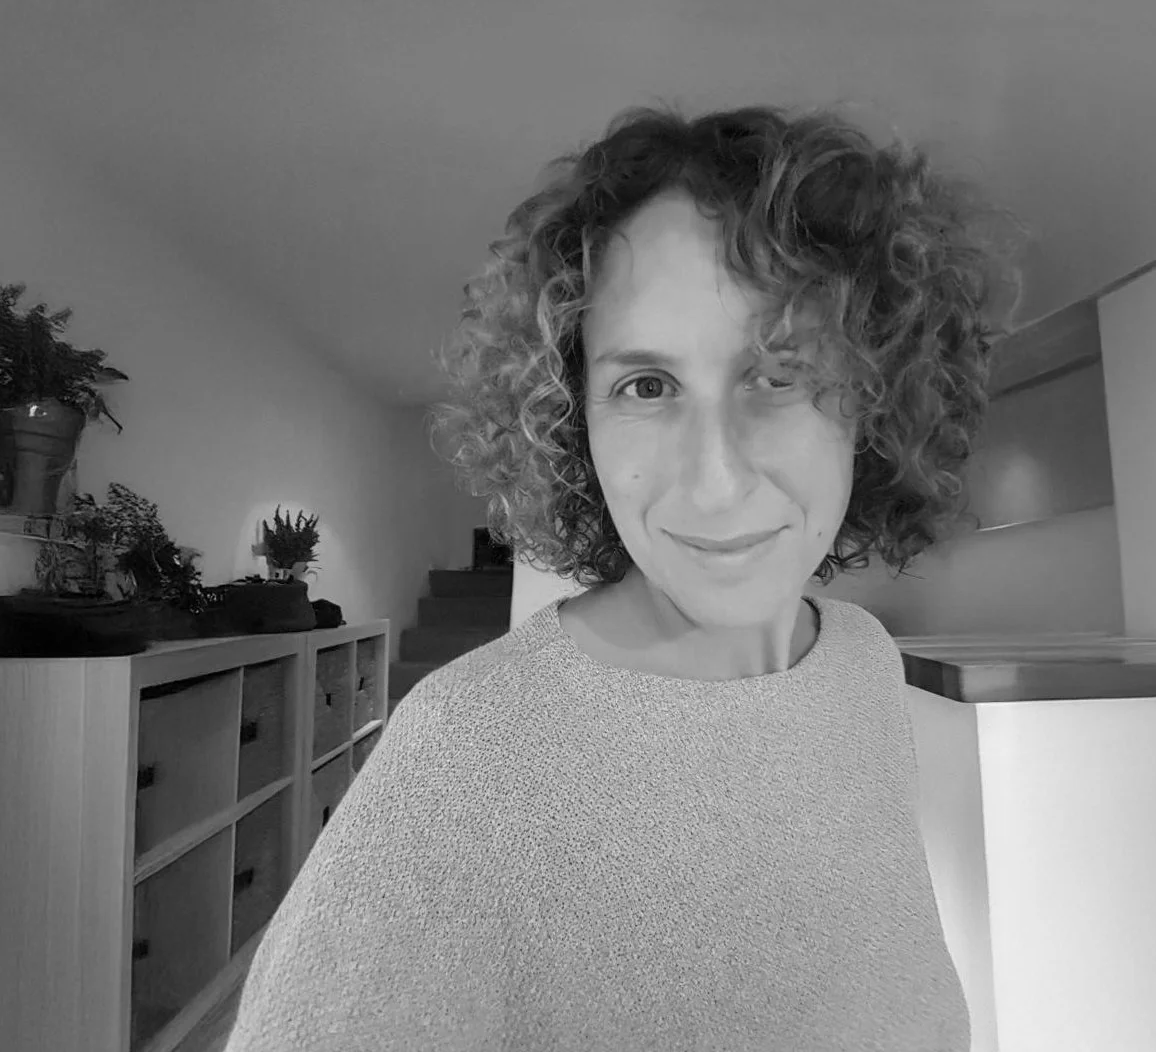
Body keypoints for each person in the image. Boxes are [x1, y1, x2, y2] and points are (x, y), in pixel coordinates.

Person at [225, 102, 1011, 1051]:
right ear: (572, 423)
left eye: (780, 371)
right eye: (646, 387)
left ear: (874, 395)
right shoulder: (469, 757)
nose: (715, 480)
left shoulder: (863, 664)